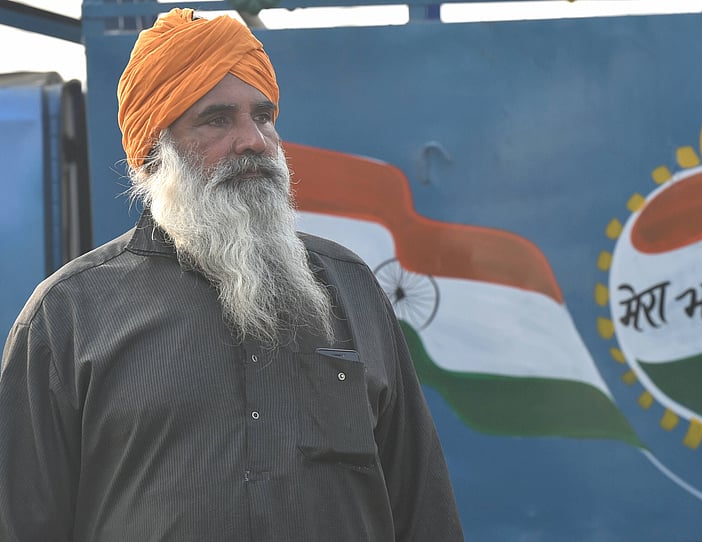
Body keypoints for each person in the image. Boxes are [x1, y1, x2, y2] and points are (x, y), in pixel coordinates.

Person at [0, 8, 463, 541]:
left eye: (263, 116)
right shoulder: (68, 315)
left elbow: (423, 509)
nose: (253, 141)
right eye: (217, 120)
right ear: (154, 154)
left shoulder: (350, 287)